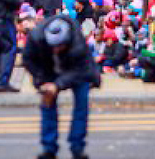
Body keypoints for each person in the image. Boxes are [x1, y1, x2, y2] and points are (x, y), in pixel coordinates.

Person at [22, 14, 100, 159]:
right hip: (48, 71)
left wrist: (57, 85)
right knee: (47, 105)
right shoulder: (36, 37)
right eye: (54, 46)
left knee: (81, 107)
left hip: (76, 71)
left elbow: (80, 70)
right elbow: (27, 60)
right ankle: (49, 147)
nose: (57, 49)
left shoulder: (77, 43)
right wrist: (42, 80)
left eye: (61, 45)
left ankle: (77, 148)